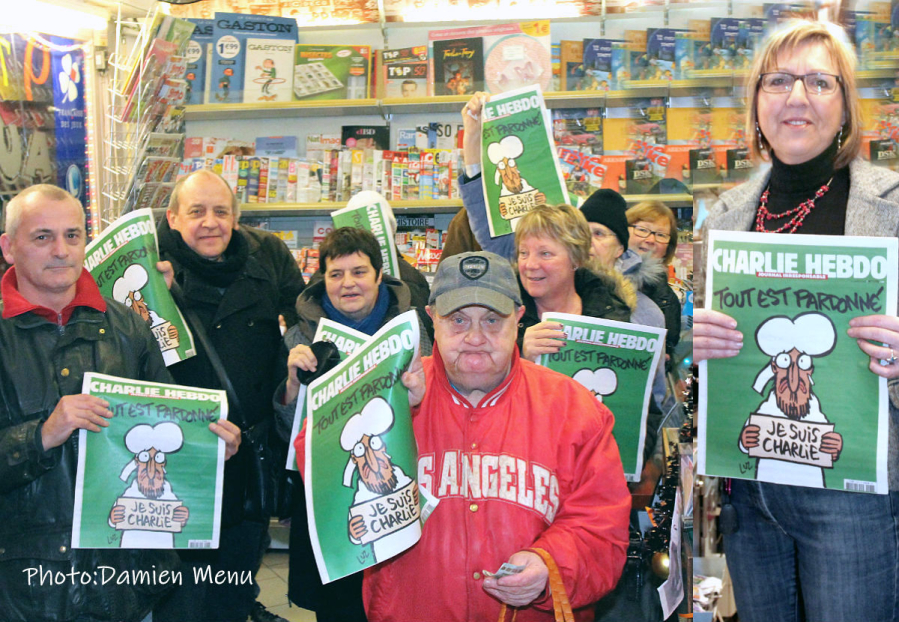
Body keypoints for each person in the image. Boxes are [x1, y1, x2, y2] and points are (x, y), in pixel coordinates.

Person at [297, 250, 631, 621]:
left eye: (492, 319)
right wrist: (390, 409)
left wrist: (549, 565)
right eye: (457, 320)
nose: (475, 337)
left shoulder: (574, 408)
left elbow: (603, 527)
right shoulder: (393, 392)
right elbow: (316, 470)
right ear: (431, 320)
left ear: (519, 319)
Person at [695, 20, 899, 622]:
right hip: (750, 489)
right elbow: (708, 362)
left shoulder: (891, 208)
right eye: (778, 80)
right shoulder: (726, 217)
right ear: (756, 101)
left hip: (853, 497)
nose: (797, 97)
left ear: (846, 104)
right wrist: (699, 349)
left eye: (819, 81)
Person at [0, 184, 240, 622]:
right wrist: (41, 436)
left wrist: (207, 450)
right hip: (25, 588)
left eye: (73, 236)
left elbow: (165, 427)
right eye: (42, 237)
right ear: (8, 247)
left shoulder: (127, 325)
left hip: (125, 583)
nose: (61, 250)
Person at [153, 169, 305, 622]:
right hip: (175, 458)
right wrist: (145, 301)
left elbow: (306, 313)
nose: (210, 222)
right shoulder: (148, 269)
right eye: (196, 212)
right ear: (173, 217)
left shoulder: (269, 255)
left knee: (234, 584)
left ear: (237, 217)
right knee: (178, 591)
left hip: (250, 454)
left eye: (221, 211)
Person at [276, 225, 431, 622]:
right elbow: (286, 434)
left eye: (359, 272)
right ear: (322, 279)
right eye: (336, 274)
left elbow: (435, 411)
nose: (348, 284)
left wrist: (420, 394)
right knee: (338, 608)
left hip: (400, 494)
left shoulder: (414, 331)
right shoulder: (300, 336)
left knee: (404, 600)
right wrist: (292, 385)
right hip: (329, 502)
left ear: (379, 276)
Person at [455, 93, 632, 361]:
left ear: (576, 258)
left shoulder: (612, 314)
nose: (530, 264)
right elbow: (482, 209)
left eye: (545, 254)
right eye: (524, 253)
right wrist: (520, 356)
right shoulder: (501, 318)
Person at [625, 200, 682, 363]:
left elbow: (669, 354)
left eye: (661, 235)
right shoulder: (595, 281)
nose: (650, 240)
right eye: (642, 230)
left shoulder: (668, 300)